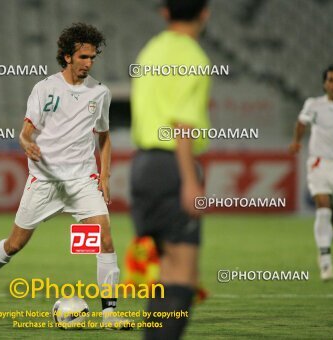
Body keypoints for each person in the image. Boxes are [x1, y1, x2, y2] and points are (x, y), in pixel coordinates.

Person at [0, 22, 131, 330]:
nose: (89, 63)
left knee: (104, 239)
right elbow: (26, 132)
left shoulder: (100, 93)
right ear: (67, 57)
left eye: (93, 57)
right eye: (83, 57)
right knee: (15, 244)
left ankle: (109, 313)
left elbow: (104, 137)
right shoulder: (45, 89)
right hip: (44, 182)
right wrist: (27, 143)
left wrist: (105, 177)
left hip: (83, 181)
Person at [130, 0, 211, 339]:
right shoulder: (193, 56)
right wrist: (190, 181)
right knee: (182, 275)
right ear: (205, 14)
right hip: (171, 167)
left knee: (163, 270)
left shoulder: (149, 51)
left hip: (142, 166)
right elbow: (182, 123)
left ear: (165, 12)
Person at [289, 64, 333, 281]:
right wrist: (296, 142)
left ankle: (324, 245)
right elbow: (302, 123)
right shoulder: (314, 104)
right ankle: (325, 260)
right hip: (319, 162)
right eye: (331, 80)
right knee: (322, 204)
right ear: (324, 83)